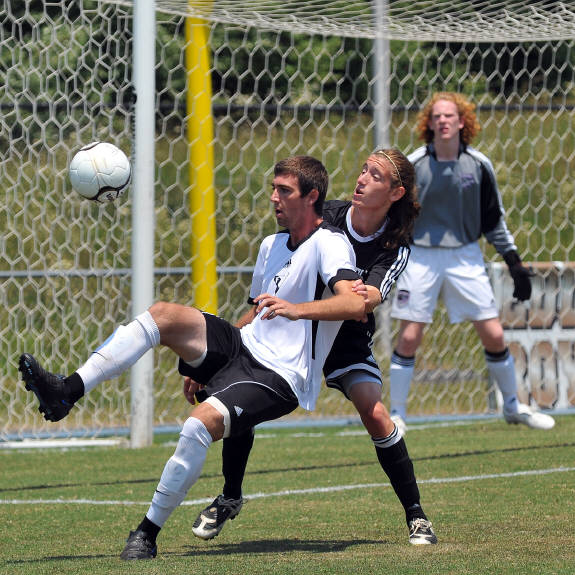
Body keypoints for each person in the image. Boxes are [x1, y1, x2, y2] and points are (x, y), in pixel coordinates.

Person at [19, 155, 368, 560]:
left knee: (197, 426)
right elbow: (257, 312)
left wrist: (297, 309)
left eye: (284, 190)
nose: (274, 197)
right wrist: (210, 358)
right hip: (244, 346)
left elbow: (353, 305)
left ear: (312, 196)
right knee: (163, 315)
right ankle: (67, 391)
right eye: (273, 188)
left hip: (282, 374)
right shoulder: (271, 245)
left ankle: (146, 534)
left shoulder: (330, 243)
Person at [185, 148, 437, 546]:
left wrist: (352, 299)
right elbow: (273, 288)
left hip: (343, 337)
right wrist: (223, 351)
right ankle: (230, 496)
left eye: (375, 175)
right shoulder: (327, 216)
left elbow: (365, 300)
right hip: (291, 331)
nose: (362, 178)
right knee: (236, 393)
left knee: (374, 411)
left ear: (395, 193)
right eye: (363, 169)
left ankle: (416, 514)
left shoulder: (395, 246)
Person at [388, 92, 555, 436]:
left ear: (462, 121)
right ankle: (397, 415)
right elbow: (395, 214)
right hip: (421, 255)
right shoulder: (414, 165)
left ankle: (513, 406)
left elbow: (493, 218)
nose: (443, 121)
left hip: (465, 254)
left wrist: (513, 261)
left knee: (493, 333)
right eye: (436, 116)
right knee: (410, 336)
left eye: (449, 115)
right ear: (429, 123)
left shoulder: (478, 165)